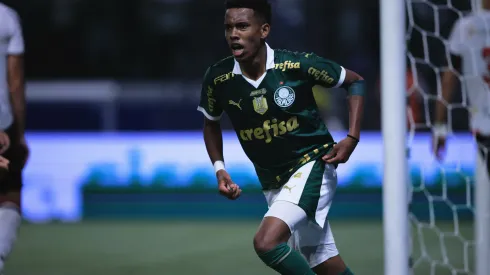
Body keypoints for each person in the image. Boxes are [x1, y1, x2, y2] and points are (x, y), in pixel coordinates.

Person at [197, 1, 364, 274]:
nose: (233, 34)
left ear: (263, 30)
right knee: (322, 261)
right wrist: (220, 169)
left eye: (242, 26)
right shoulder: (219, 78)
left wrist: (352, 137)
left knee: (266, 242)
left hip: (313, 164)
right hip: (273, 181)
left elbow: (355, 81)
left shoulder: (296, 64)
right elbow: (210, 124)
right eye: (228, 28)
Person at [432, 2, 490, 274]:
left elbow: (450, 75)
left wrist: (440, 126)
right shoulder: (466, 27)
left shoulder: (464, 27)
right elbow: (450, 75)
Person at [0, 2, 28, 273]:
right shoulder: (6, 17)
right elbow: (15, 82)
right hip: (2, 121)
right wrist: (18, 135)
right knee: (9, 196)